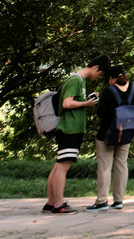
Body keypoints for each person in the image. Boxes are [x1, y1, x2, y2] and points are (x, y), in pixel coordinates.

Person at [43, 55, 109, 214]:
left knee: (59, 164)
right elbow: (67, 103)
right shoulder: (75, 80)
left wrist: (86, 100)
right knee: (63, 166)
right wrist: (87, 103)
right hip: (70, 128)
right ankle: (58, 204)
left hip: (70, 128)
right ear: (96, 67)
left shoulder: (79, 81)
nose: (98, 77)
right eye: (100, 74)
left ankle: (51, 203)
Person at [86, 65, 134, 211]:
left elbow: (101, 114)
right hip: (127, 132)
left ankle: (102, 201)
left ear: (112, 78)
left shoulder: (108, 92)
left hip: (107, 134)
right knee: (121, 165)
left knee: (105, 167)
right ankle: (119, 200)